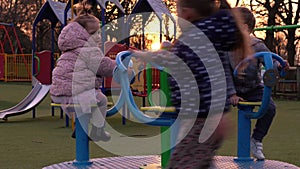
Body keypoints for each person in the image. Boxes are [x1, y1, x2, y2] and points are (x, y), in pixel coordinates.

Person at [132, 0, 251, 168]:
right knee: (200, 163)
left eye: (178, 11)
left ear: (187, 13)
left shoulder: (194, 37)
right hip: (202, 118)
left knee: (181, 164)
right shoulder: (205, 36)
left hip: (202, 120)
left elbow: (177, 62)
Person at [229, 7, 290, 160]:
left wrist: (280, 66)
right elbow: (222, 72)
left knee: (269, 108)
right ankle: (204, 143)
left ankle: (256, 139)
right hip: (230, 86)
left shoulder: (257, 45)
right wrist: (231, 93)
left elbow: (271, 61)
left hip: (252, 86)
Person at [50, 0, 115, 142]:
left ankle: (78, 128)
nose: (99, 36)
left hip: (59, 95)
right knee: (101, 100)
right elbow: (103, 66)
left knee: (89, 95)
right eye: (95, 33)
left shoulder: (68, 49)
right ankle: (98, 130)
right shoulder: (88, 50)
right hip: (76, 94)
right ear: (84, 35)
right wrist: (119, 68)